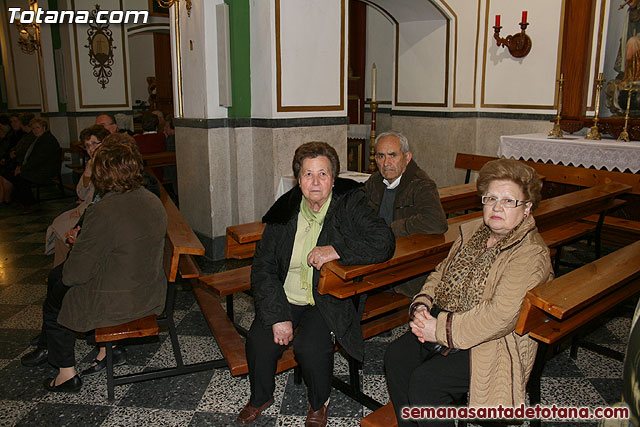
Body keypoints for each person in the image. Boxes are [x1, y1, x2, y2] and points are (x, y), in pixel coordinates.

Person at [384, 159, 553, 426]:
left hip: (493, 340)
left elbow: (500, 317)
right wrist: (422, 305)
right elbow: (441, 272)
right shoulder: (473, 231)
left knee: (427, 383)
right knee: (396, 358)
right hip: (447, 319)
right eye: (491, 198)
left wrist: (438, 330)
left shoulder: (531, 254)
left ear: (527, 208)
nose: (497, 207)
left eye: (509, 201)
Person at [237, 142, 395, 426]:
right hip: (285, 295)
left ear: (333, 179)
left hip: (326, 296)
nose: (315, 181)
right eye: (308, 174)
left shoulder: (349, 204)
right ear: (298, 180)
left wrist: (336, 249)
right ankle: (261, 397)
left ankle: (318, 403)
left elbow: (384, 242)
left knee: (310, 347)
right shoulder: (283, 212)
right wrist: (278, 316)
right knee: (260, 341)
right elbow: (263, 267)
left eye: (323, 174)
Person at [20, 139, 168, 393]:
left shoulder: (105, 210)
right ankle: (93, 352)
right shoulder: (151, 199)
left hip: (120, 300)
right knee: (57, 278)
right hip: (148, 288)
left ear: (102, 173)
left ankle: (65, 373)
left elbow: (76, 273)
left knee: (58, 292)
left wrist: (81, 243)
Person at [364, 131, 447, 296]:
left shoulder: (421, 184)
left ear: (407, 157)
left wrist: (390, 229)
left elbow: (436, 221)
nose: (386, 162)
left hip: (405, 262)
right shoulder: (375, 181)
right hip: (376, 250)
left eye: (392, 155)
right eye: (380, 156)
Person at [45, 125, 110, 267]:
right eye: (87, 146)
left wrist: (83, 212)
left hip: (99, 210)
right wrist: (87, 173)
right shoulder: (91, 163)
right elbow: (81, 193)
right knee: (59, 223)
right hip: (87, 206)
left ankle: (65, 268)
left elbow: (103, 197)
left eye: (94, 143)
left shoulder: (109, 164)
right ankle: (61, 267)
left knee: (63, 229)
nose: (91, 148)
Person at [10, 117, 61, 213]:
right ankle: (26, 202)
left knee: (21, 178)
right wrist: (21, 167)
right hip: (39, 167)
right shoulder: (38, 138)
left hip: (46, 169)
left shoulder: (47, 140)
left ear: (44, 127)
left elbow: (38, 159)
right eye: (33, 128)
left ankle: (31, 204)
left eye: (37, 128)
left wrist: (23, 169)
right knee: (16, 175)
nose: (35, 131)